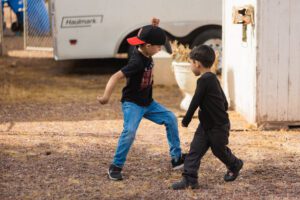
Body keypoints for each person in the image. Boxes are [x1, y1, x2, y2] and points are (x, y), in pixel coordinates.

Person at [97, 18, 185, 181]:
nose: (160, 49)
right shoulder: (136, 62)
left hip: (148, 103)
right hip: (133, 104)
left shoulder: (146, 48)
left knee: (171, 118)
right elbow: (115, 76)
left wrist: (154, 28)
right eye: (158, 47)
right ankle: (115, 166)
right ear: (148, 46)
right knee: (129, 132)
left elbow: (150, 37)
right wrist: (105, 97)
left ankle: (176, 159)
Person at [171, 45, 243, 190]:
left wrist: (186, 119)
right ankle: (189, 179)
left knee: (219, 150)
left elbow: (195, 101)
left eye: (191, 63)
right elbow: (224, 101)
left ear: (197, 63)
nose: (191, 66)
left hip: (218, 127)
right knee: (194, 151)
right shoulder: (213, 78)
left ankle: (235, 164)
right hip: (205, 125)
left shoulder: (204, 80)